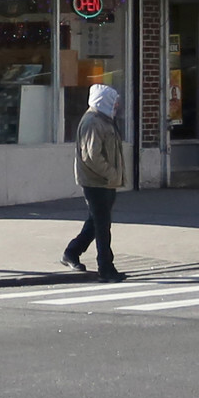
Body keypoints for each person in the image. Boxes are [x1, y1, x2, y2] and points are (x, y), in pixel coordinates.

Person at [61, 84, 126, 283]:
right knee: (102, 226)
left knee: (96, 222)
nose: (116, 107)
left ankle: (71, 252)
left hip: (105, 182)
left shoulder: (103, 120)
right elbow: (91, 156)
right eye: (113, 103)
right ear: (103, 101)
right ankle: (106, 268)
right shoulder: (92, 122)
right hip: (96, 182)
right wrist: (111, 174)